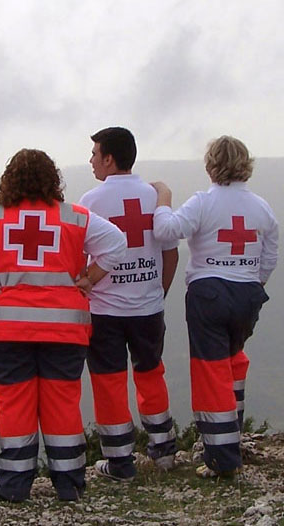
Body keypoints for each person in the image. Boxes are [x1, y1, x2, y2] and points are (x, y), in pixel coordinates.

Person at [0, 148, 126, 502]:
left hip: (6, 329)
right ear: (52, 179)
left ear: (9, 179)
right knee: (62, 403)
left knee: (14, 403)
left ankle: (14, 486)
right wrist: (89, 277)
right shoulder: (74, 217)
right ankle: (70, 484)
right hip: (65, 330)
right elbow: (116, 243)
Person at [152, 136, 278, 478]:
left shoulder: (203, 203)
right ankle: (231, 439)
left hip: (209, 292)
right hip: (248, 293)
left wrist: (163, 198)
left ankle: (222, 459)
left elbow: (166, 231)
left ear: (210, 165)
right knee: (233, 362)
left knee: (211, 373)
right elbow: (270, 256)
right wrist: (253, 282)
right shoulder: (261, 206)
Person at [78, 127, 179, 482]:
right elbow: (170, 252)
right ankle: (164, 449)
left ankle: (120, 462)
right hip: (149, 307)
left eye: (94, 154)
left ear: (109, 158)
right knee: (151, 373)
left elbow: (81, 260)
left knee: (109, 382)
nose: (91, 160)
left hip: (104, 311)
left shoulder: (91, 201)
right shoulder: (154, 197)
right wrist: (158, 291)